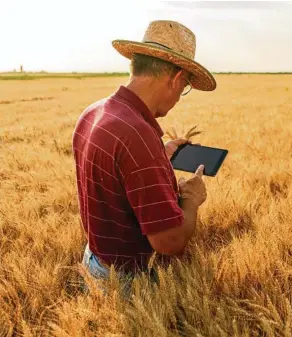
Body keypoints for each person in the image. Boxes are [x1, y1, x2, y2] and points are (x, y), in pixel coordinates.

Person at [72, 20, 217, 296]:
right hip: (125, 283)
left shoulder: (94, 112)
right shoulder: (138, 135)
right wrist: (192, 200)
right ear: (175, 79)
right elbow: (168, 242)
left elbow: (114, 177)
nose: (179, 97)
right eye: (185, 86)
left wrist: (158, 155)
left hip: (94, 261)